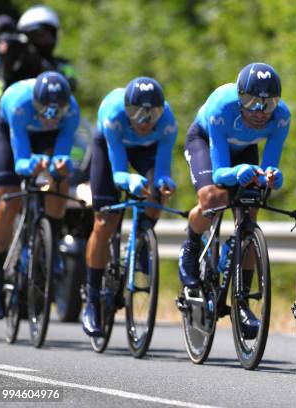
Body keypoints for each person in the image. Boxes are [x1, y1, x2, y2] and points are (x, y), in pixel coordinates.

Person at [179, 62, 290, 338]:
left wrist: (272, 176)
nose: (260, 111)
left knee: (250, 216)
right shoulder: (222, 107)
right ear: (240, 98)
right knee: (212, 197)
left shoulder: (281, 117)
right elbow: (219, 173)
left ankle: (242, 303)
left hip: (244, 151)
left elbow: (269, 166)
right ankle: (191, 246)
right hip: (206, 142)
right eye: (251, 102)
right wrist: (238, 172)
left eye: (268, 103)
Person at [82, 77, 177, 336]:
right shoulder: (114, 115)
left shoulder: (168, 122)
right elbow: (118, 173)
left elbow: (162, 169)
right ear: (126, 109)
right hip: (111, 149)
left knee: (157, 192)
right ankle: (91, 300)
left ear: (161, 110)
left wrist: (164, 182)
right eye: (136, 113)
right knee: (104, 222)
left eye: (152, 113)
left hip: (146, 150)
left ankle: (142, 238)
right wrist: (130, 179)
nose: (144, 121)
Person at [0, 71, 79, 319]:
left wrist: (58, 166)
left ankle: (51, 237)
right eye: (46, 110)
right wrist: (30, 164)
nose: (51, 117)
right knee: (9, 203)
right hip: (12, 132)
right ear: (35, 102)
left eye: (57, 112)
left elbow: (63, 155)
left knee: (60, 178)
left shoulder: (71, 112)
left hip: (46, 140)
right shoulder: (19, 103)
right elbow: (20, 160)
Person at [0, 5, 77, 110]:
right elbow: (0, 91)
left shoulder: (62, 65)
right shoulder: (13, 60)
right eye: (39, 36)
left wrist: (41, 65)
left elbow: (71, 83)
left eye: (48, 36)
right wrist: (5, 60)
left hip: (50, 121)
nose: (44, 40)